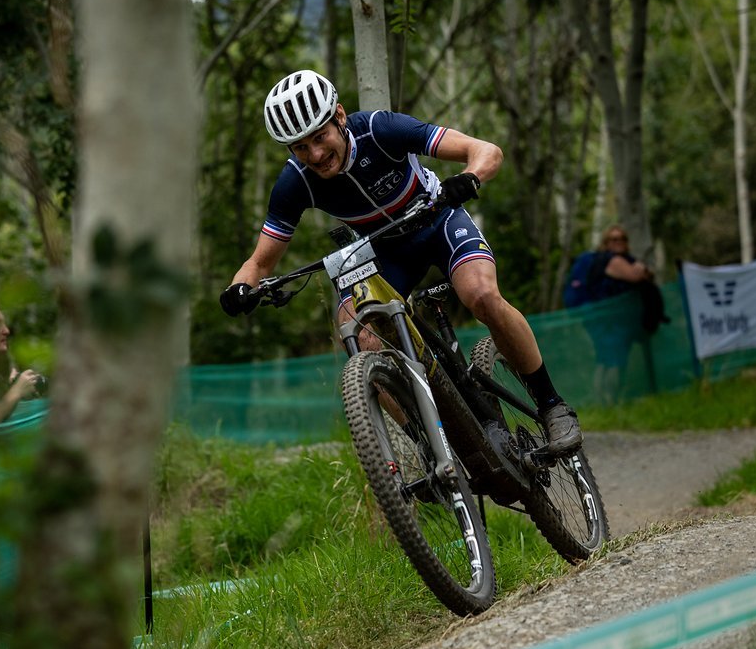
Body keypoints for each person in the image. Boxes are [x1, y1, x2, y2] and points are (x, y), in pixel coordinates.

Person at [218, 69, 582, 455]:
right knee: (357, 336)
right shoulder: (295, 182)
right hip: (385, 252)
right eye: (300, 148)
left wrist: (470, 177)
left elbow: (487, 150)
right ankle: (427, 447)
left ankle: (552, 406)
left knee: (480, 294)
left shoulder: (380, 130)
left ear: (339, 117)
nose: (316, 155)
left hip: (437, 221)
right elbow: (259, 263)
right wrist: (239, 288)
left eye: (319, 137)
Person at [583, 225, 663, 402]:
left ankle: (606, 400)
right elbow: (636, 275)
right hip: (607, 323)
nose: (618, 242)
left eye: (622, 239)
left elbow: (645, 274)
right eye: (614, 239)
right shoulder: (609, 260)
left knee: (609, 360)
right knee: (612, 361)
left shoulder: (622, 259)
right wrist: (641, 270)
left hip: (616, 322)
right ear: (606, 243)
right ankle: (608, 400)